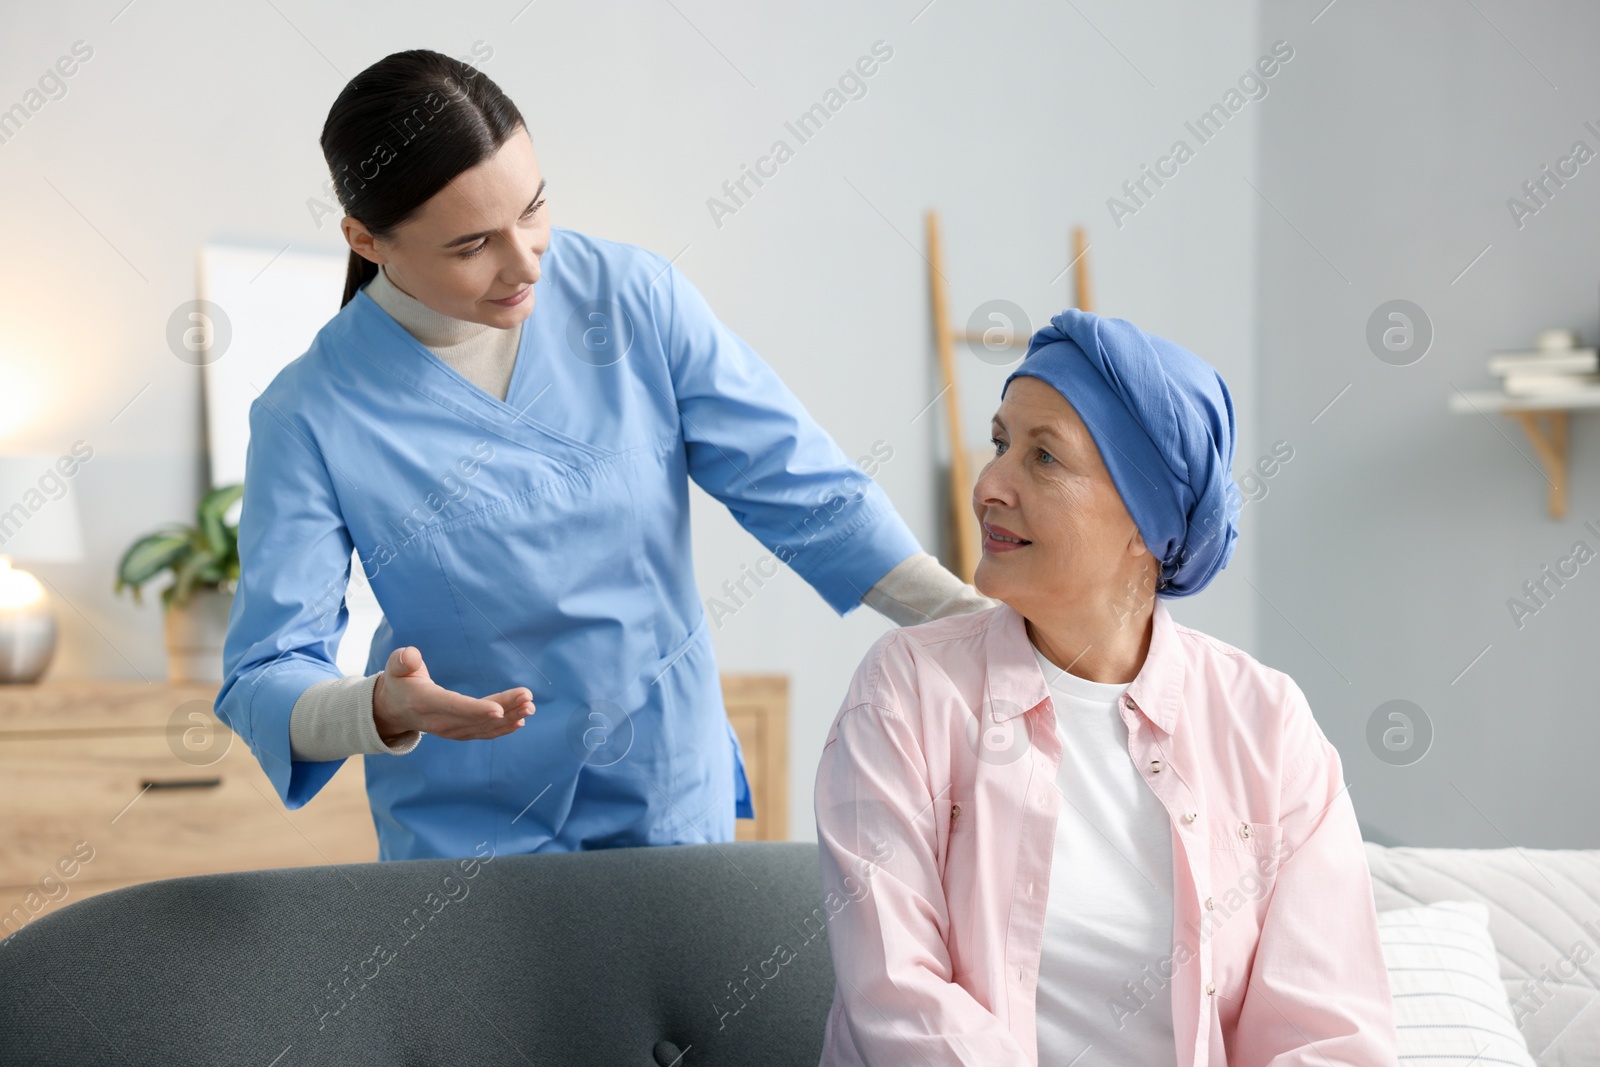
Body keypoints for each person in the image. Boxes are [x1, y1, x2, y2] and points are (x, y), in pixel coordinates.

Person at [215, 49, 991, 862]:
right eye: (473, 243)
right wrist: (382, 708)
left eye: (534, 209)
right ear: (367, 240)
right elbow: (264, 674)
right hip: (470, 831)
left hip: (666, 790)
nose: (525, 263)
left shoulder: (630, 298)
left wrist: (978, 626)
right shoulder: (309, 411)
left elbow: (802, 488)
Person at [813, 309, 1398, 1065]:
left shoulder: (1267, 722)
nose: (988, 483)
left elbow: (1330, 1030)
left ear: (1145, 524)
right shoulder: (908, 692)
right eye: (999, 442)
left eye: (1043, 458)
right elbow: (902, 1009)